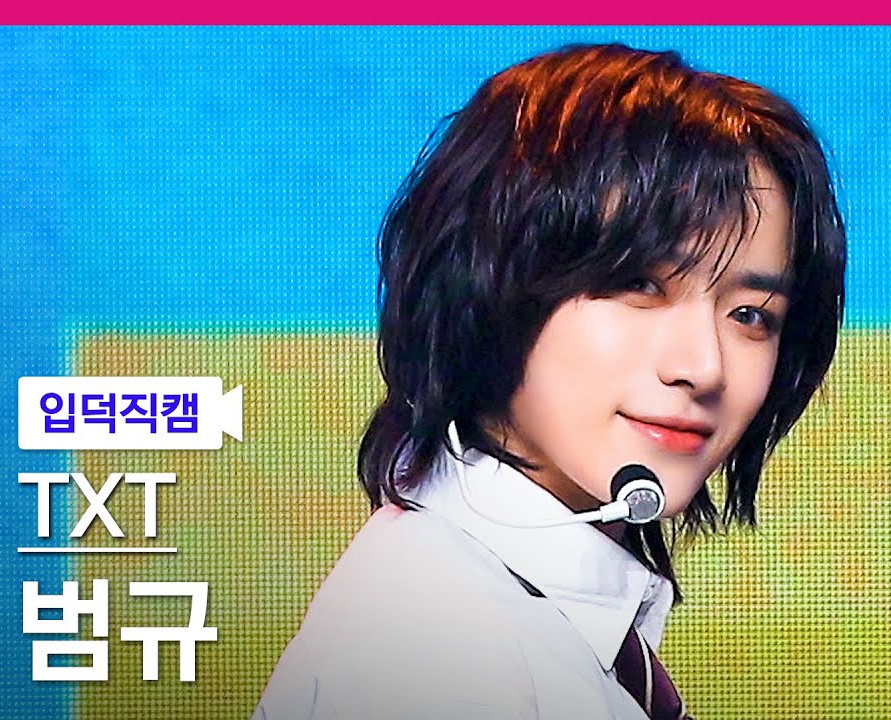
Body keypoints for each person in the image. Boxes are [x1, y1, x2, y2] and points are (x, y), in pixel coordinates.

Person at [253, 42, 845, 720]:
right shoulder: (441, 649)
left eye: (750, 315)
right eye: (638, 284)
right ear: (489, 284)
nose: (703, 366)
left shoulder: (498, 604)